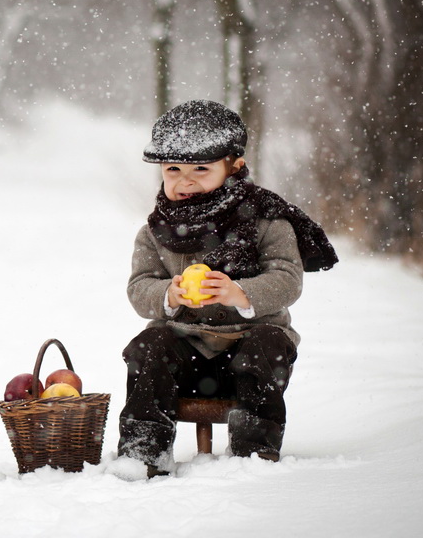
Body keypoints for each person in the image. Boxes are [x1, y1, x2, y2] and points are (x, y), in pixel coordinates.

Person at [117, 100, 338, 477]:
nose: (185, 181)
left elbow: (287, 277)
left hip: (249, 349)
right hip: (185, 353)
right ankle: (143, 450)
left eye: (201, 169)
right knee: (148, 347)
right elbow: (140, 287)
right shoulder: (155, 231)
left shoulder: (266, 220)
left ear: (233, 166)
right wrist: (167, 296)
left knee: (267, 345)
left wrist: (241, 293)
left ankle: (254, 449)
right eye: (173, 169)